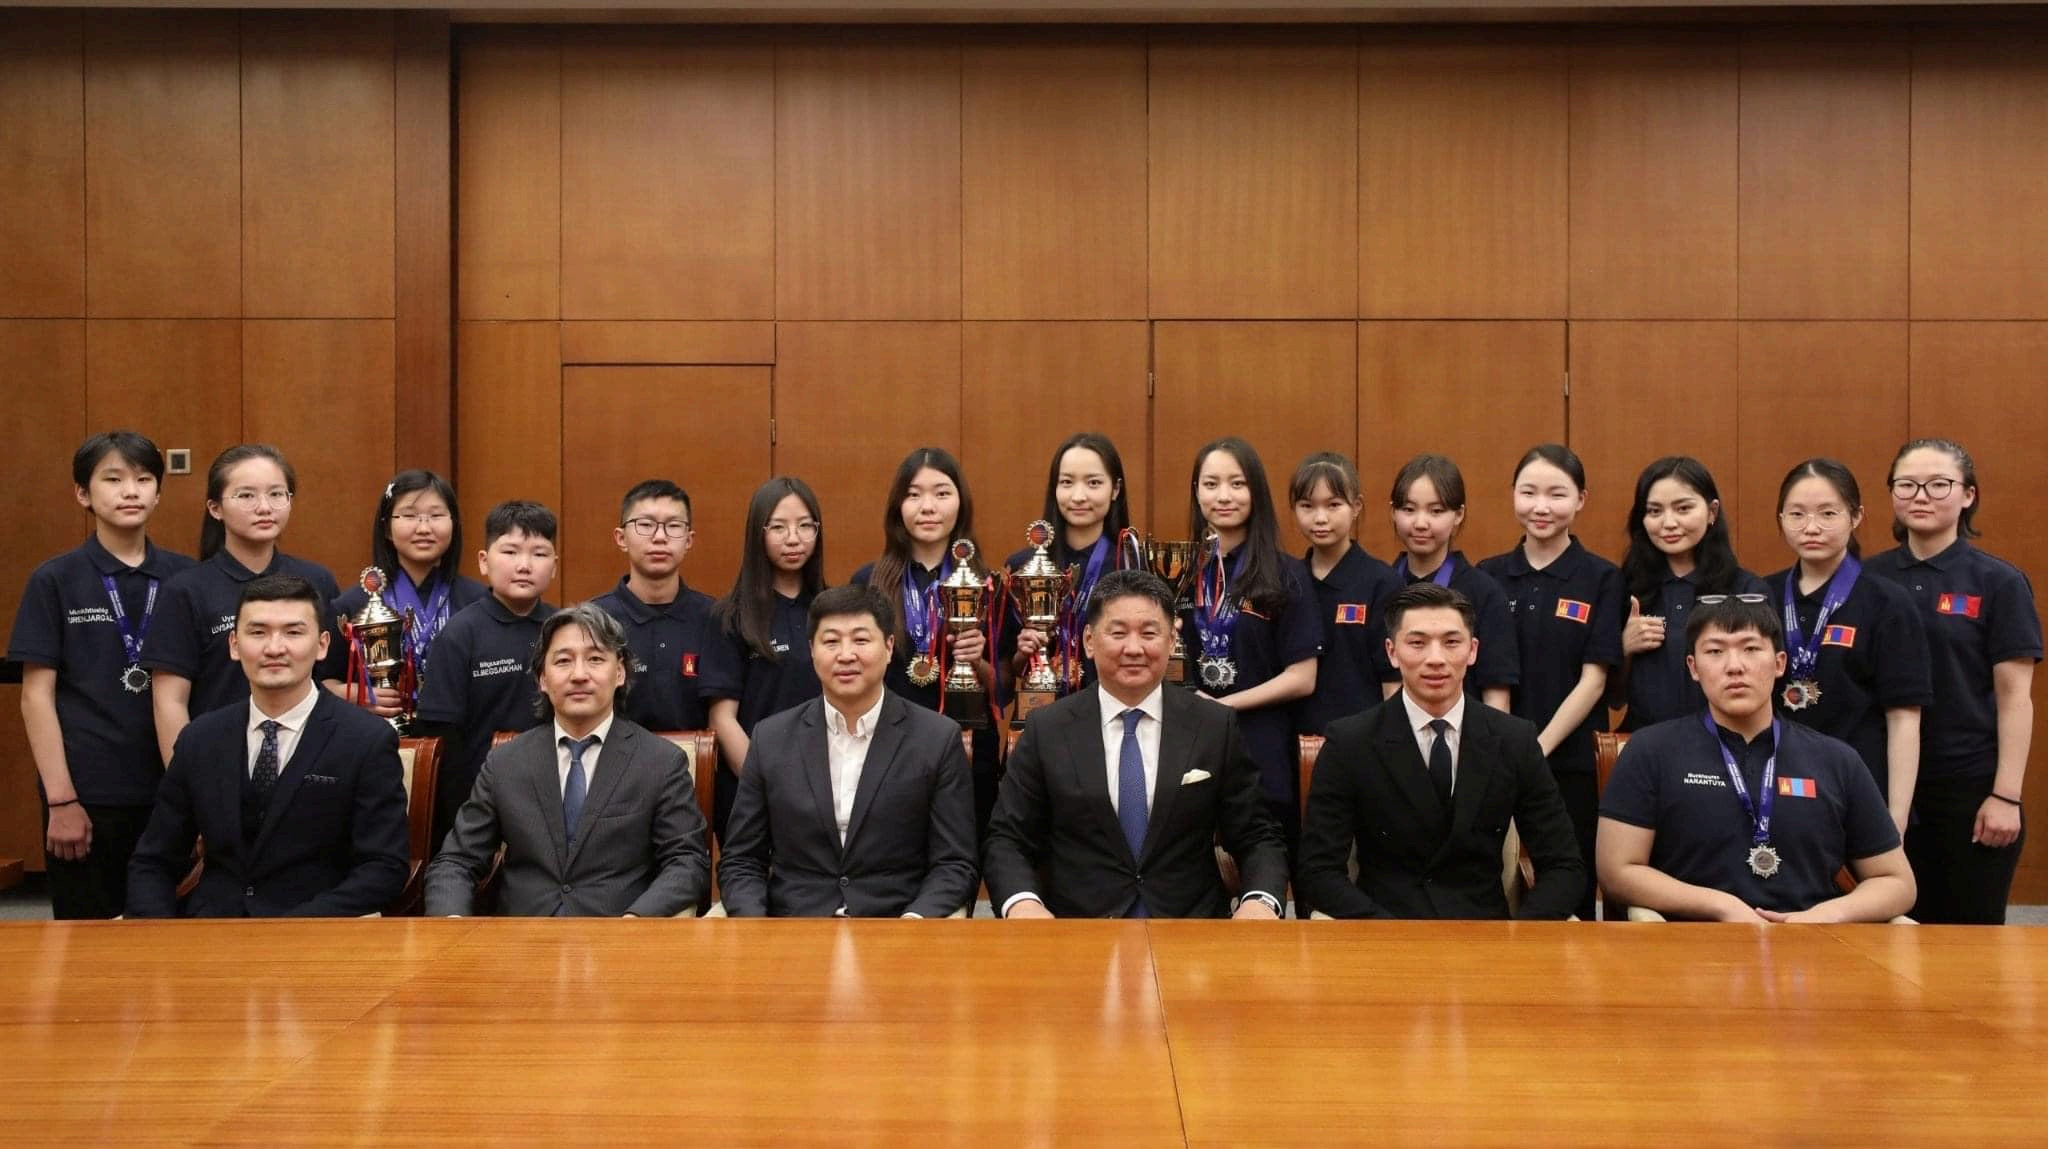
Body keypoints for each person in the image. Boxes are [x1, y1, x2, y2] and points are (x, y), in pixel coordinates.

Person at [984, 569, 1288, 919]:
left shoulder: (1214, 725)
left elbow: (1257, 835)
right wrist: (1023, 904)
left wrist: (1260, 901)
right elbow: (1007, 839)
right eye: (1117, 633)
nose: (1133, 648)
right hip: (1080, 929)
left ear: (1171, 642)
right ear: (1089, 641)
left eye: (1149, 633)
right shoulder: (1047, 729)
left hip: (1189, 929)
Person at [1596, 596, 1915, 923]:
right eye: (1715, 651)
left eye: (1750, 649)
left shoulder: (1836, 760)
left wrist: (1828, 914)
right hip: (1692, 941)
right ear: (1693, 667)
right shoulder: (1651, 751)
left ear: (1779, 663)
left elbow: (1896, 882)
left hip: (1811, 940)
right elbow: (1616, 870)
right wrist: (1722, 906)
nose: (1734, 666)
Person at [126, 575, 409, 918]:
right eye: (258, 632)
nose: (274, 648)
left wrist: (285, 932)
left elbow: (383, 868)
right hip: (210, 931)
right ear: (234, 644)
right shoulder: (200, 738)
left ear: (322, 645)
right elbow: (154, 860)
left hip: (316, 931)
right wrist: (155, 932)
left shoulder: (366, 739)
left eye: (293, 632)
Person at [1299, 582, 1585, 920]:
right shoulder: (1350, 742)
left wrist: (1518, 936)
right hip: (1386, 928)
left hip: (1485, 930)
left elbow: (1564, 866)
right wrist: (1386, 933)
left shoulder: (1514, 740)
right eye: (1417, 643)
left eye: (1451, 642)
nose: (1435, 659)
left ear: (1473, 650)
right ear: (1392, 652)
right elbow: (1318, 871)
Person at [8, 432, 196, 918]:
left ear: (158, 492)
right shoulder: (55, 579)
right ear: (82, 494)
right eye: (113, 480)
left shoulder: (186, 578)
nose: (130, 491)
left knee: (174, 939)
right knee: (86, 941)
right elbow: (35, 697)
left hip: (170, 791)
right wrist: (61, 801)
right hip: (87, 795)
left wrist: (200, 797)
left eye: (143, 479)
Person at [423, 603, 710, 917]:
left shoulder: (661, 761)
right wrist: (451, 922)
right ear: (542, 679)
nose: (579, 675)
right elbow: (456, 861)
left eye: (595, 659)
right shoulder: (505, 762)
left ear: (619, 673)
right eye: (563, 661)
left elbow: (687, 862)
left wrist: (635, 920)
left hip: (617, 934)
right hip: (521, 937)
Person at [718, 584, 977, 918]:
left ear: (888, 647)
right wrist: (757, 926)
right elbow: (741, 860)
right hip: (795, 929)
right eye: (831, 642)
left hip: (897, 926)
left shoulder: (937, 738)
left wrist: (914, 924)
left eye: (860, 640)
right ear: (812, 651)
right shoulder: (771, 739)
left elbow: (955, 863)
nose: (845, 655)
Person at [1868, 438, 2041, 924]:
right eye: (1907, 484)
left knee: (1967, 940)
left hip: (1967, 787)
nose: (1921, 496)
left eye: (1938, 484)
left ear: (1968, 495)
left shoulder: (1999, 581)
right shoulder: (1866, 578)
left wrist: (2005, 796)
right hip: (1880, 784)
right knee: (1880, 938)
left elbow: (2015, 698)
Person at [1477, 444, 1624, 920]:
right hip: (1494, 758)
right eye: (1529, 492)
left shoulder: (1602, 577)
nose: (1541, 507)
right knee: (1491, 884)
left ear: (1581, 499)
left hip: (1572, 760)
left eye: (1557, 494)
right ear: (1512, 495)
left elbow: (1595, 680)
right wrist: (1508, 748)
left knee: (1566, 886)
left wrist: (1536, 748)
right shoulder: (1487, 575)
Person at [1764, 458, 1931, 834]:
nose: (1811, 527)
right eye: (1797, 514)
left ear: (1855, 517)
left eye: (1828, 513)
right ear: (1781, 518)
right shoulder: (1762, 595)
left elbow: (1904, 716)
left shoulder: (1887, 601)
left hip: (1860, 784)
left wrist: (1896, 816)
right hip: (1774, 783)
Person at [145, 444, 341, 763]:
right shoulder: (186, 590)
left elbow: (328, 678)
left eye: (277, 494)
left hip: (309, 758)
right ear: (215, 508)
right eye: (246, 495)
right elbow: (170, 702)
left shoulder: (316, 580)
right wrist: (186, 778)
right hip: (217, 759)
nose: (264, 507)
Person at [850, 448, 999, 835]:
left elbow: (1004, 684)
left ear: (961, 503)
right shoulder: (868, 582)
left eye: (942, 493)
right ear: (897, 506)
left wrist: (978, 661)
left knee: (963, 849)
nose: (928, 507)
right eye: (914, 494)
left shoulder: (988, 584)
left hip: (968, 744)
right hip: (886, 745)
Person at [1182, 437, 1321, 851]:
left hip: (1261, 745)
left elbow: (1302, 677)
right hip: (1191, 742)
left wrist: (1224, 705)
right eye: (1211, 484)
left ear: (1256, 491)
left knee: (1263, 858)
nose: (1223, 496)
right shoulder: (1180, 571)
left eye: (1237, 483)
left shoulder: (1286, 574)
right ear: (1196, 492)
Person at [413, 500, 560, 848]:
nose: (524, 565)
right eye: (510, 551)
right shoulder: (460, 634)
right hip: (481, 800)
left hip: (557, 794)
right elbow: (442, 741)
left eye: (539, 554)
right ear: (483, 561)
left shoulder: (565, 630)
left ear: (554, 566)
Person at [701, 477, 827, 843]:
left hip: (827, 788)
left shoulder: (831, 610)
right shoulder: (730, 615)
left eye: (805, 526)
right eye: (779, 527)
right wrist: (768, 785)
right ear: (758, 533)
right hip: (753, 792)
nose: (794, 538)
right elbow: (722, 718)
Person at [1612, 456, 1768, 731]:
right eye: (1654, 511)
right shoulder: (1624, 588)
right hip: (1644, 741)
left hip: (1722, 740)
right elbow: (1614, 699)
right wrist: (1624, 648)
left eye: (1683, 508)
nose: (1669, 523)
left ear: (1712, 511)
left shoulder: (1746, 590)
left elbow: (1762, 685)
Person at [322, 469, 487, 719]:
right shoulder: (353, 604)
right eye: (409, 516)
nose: (424, 528)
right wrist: (353, 694)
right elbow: (320, 682)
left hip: (462, 734)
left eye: (436, 515)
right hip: (376, 734)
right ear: (387, 528)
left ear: (454, 524)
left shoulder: (479, 600)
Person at [1004, 433, 1136, 705]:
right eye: (1066, 482)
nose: (1078, 496)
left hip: (1114, 710)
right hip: (1041, 714)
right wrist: (1024, 652)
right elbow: (1007, 668)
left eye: (1093, 483)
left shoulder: (1132, 565)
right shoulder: (1022, 569)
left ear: (1115, 489)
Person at [1377, 454, 1516, 711]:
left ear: (1458, 514)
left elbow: (1496, 697)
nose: (1420, 523)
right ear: (1393, 511)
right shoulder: (1379, 586)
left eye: (1436, 511)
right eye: (1408, 509)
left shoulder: (1485, 592)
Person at [591, 479, 717, 734]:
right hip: (615, 756)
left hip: (699, 757)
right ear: (621, 538)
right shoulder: (593, 621)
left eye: (673, 526)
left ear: (689, 540)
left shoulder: (715, 618)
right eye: (646, 525)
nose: (660, 537)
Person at [1290, 451, 1399, 738]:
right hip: (1293, 740)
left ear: (1356, 506)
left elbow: (1393, 681)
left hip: (1363, 740)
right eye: (1307, 506)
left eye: (1334, 505)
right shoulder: (1286, 580)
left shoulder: (1382, 583)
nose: (1320, 518)